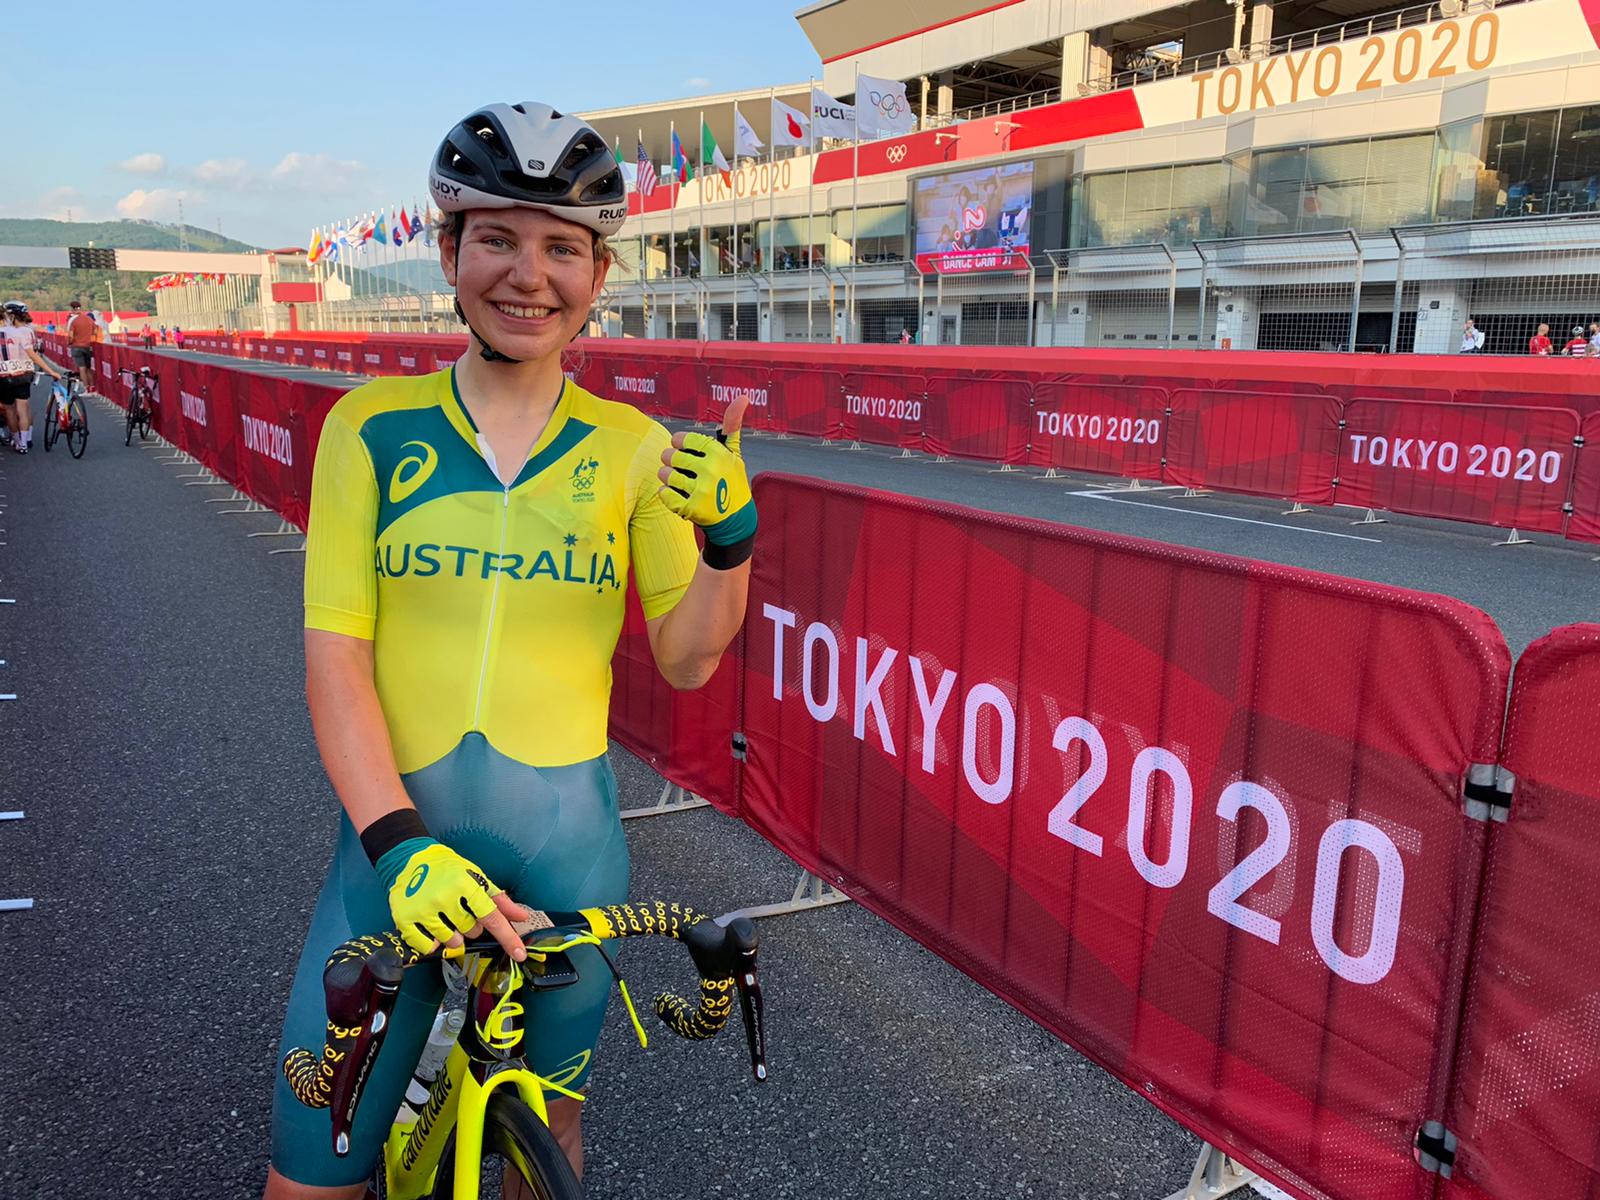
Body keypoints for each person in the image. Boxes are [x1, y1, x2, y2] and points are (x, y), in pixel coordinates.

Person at [264, 100, 756, 1200]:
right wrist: (398, 846)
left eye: (561, 247)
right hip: (393, 864)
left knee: (551, 1150)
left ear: (598, 274)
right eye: (497, 237)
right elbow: (335, 660)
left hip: (568, 860)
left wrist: (729, 547)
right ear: (448, 252)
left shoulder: (636, 451)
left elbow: (686, 660)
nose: (528, 274)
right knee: (309, 1178)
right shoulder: (370, 428)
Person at [0, 301, 65, 453]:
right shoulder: (18, 332)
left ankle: (15, 440)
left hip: (3, 376)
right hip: (22, 373)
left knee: (9, 410)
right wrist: (51, 371)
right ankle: (24, 442)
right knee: (22, 408)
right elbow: (32, 354)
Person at [65, 300, 97, 391]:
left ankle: (86, 388)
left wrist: (69, 342)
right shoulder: (89, 319)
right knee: (88, 367)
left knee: (82, 368)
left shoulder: (73, 321)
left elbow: (70, 336)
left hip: (77, 346)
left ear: (72, 309)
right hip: (88, 346)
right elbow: (95, 332)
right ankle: (92, 387)